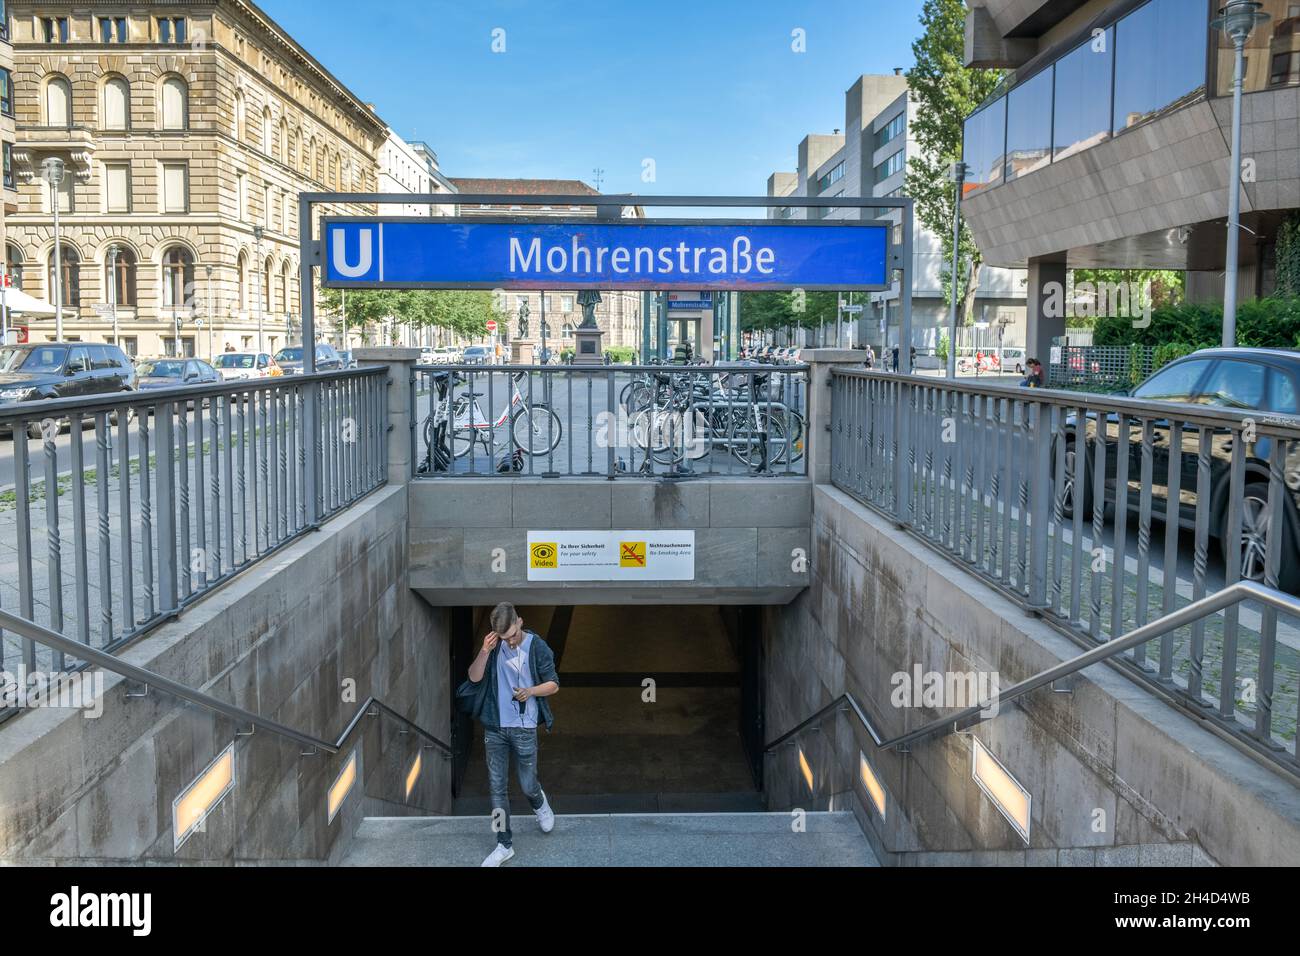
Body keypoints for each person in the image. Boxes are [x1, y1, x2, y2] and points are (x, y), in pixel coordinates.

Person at [466, 601, 560, 867]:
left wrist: (530, 692)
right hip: (495, 727)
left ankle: (540, 803)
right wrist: (485, 651)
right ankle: (503, 844)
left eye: (513, 635)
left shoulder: (537, 647)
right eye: (504, 638)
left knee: (528, 783)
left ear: (520, 621)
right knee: (497, 788)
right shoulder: (495, 648)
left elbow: (553, 685)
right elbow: (474, 678)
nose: (510, 642)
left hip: (524, 727)